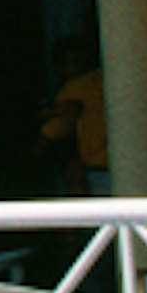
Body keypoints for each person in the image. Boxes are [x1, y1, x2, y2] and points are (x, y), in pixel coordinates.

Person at [38, 36, 110, 197]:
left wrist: (43, 141)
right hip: (118, 158)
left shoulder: (73, 88)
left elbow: (62, 122)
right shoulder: (106, 79)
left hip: (95, 162)